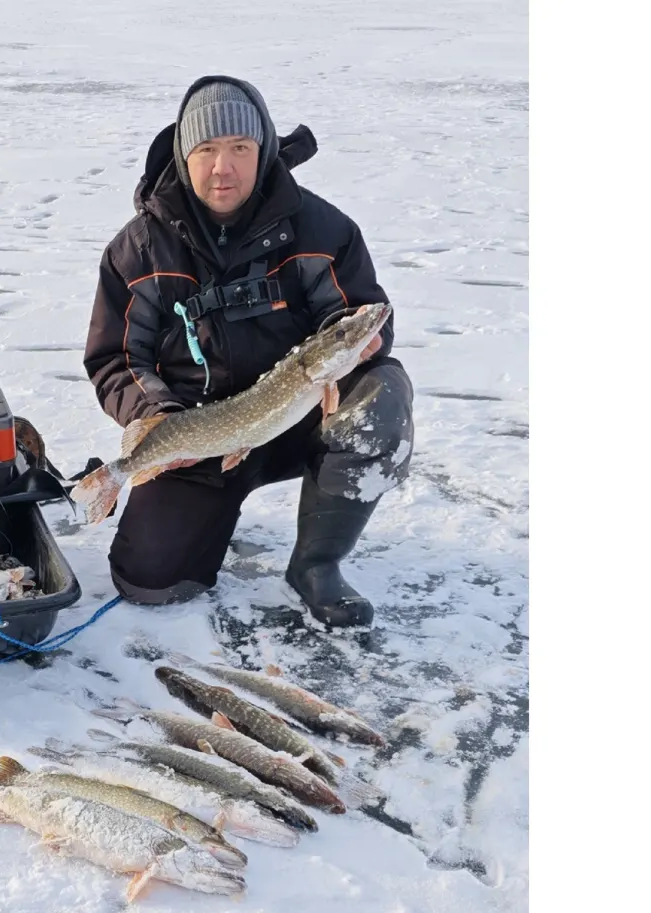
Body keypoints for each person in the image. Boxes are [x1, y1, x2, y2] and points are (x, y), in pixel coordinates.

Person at [81, 76, 414, 627]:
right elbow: (116, 359)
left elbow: (351, 312)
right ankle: (196, 507)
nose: (223, 167)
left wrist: (361, 339)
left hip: (301, 417)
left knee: (379, 396)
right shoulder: (137, 251)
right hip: (199, 430)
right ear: (185, 155)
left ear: (263, 150)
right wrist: (158, 419)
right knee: (152, 582)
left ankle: (317, 565)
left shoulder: (322, 228)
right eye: (207, 150)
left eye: (240, 148)